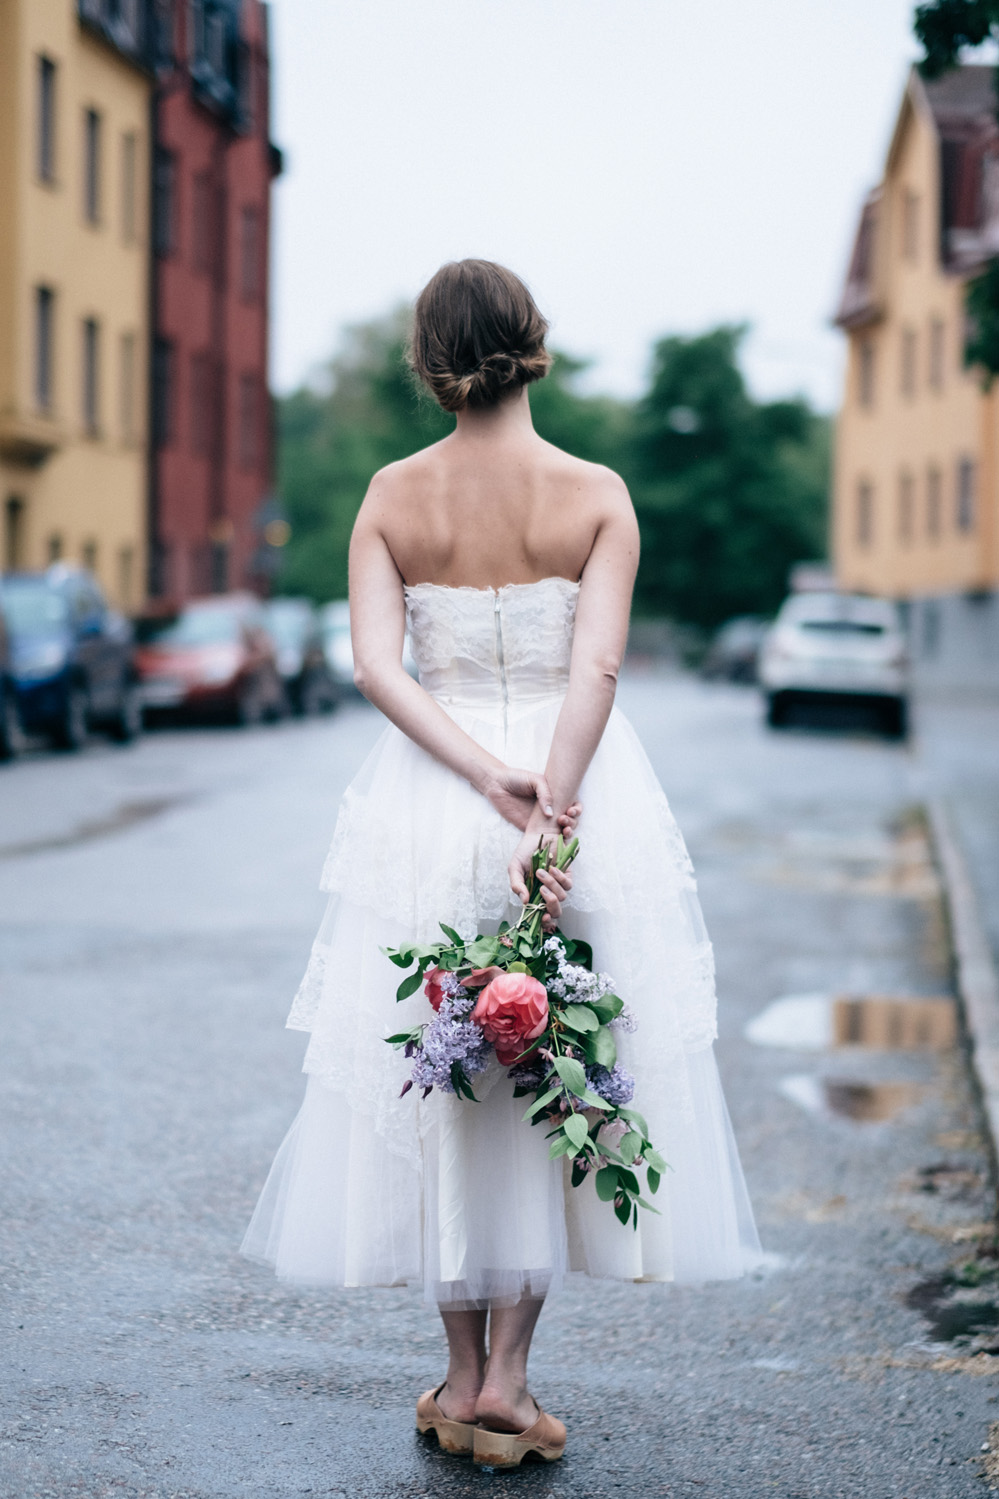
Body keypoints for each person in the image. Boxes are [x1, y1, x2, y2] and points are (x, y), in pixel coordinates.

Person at [242, 259, 761, 1469]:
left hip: (433, 794)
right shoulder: (596, 492)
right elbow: (597, 671)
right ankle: (511, 1385)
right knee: (559, 1063)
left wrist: (479, 774)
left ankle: (463, 1370)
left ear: (431, 358)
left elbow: (379, 667)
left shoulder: (391, 492)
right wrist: (553, 805)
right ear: (534, 342)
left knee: (448, 1074)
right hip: (576, 796)